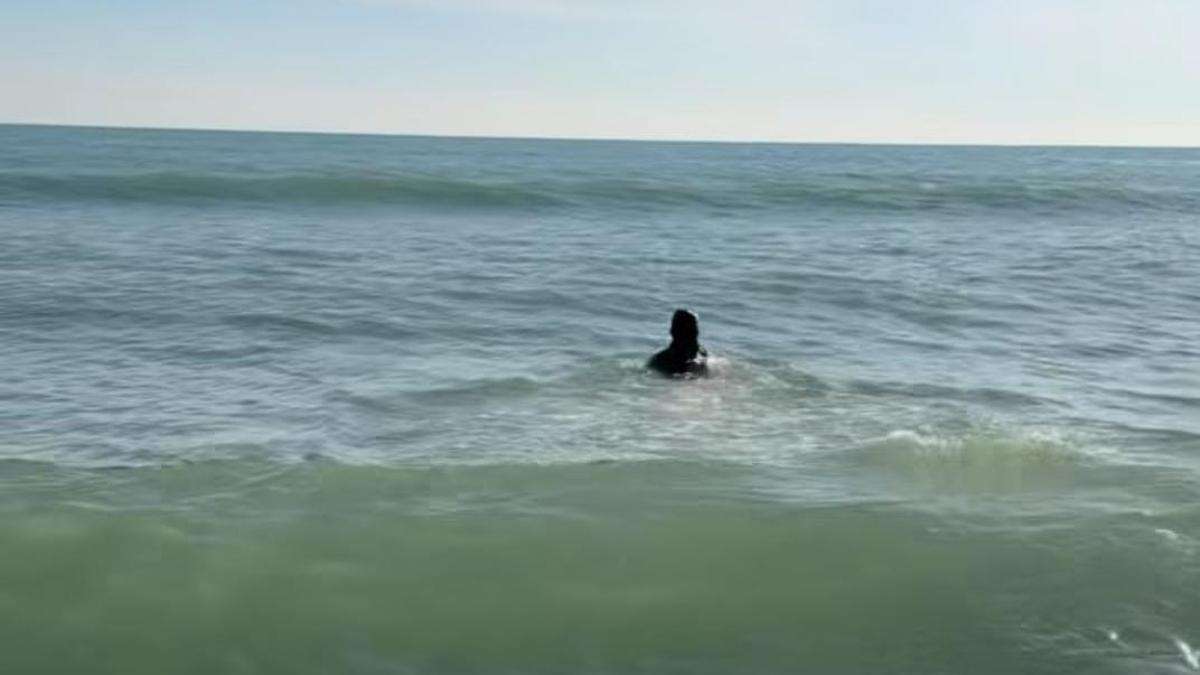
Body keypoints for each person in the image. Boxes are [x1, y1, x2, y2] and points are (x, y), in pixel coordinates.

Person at [647, 309, 709, 377]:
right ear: (673, 332)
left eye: (694, 329)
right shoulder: (659, 362)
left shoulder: (701, 353)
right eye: (688, 331)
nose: (695, 334)